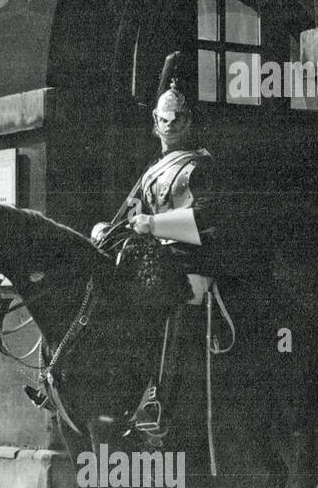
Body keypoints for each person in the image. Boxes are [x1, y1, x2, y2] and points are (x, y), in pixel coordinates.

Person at [91, 51, 243, 456]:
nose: (169, 125)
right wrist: (107, 228)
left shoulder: (199, 166)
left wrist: (155, 226)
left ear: (188, 121)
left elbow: (207, 218)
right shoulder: (152, 171)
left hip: (194, 263)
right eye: (163, 118)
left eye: (176, 118)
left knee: (171, 300)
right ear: (154, 120)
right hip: (156, 263)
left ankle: (160, 402)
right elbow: (129, 213)